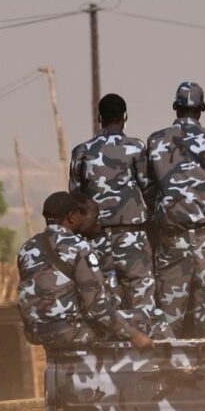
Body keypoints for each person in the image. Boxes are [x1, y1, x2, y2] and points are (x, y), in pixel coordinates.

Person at [144, 81, 205, 337]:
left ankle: (169, 364)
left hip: (172, 240)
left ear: (175, 106)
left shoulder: (155, 141)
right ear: (202, 108)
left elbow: (147, 190)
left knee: (168, 323)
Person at [17, 192, 154, 350]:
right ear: (71, 217)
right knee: (153, 318)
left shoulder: (26, 248)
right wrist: (132, 334)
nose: (82, 218)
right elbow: (97, 309)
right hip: (70, 333)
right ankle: (170, 363)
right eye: (79, 214)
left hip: (36, 333)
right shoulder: (78, 247)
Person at [69, 93, 157, 316]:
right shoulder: (136, 147)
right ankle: (142, 335)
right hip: (132, 236)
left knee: (101, 301)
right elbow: (149, 190)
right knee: (141, 297)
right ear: (125, 117)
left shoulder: (82, 151)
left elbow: (75, 195)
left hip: (95, 239)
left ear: (100, 118)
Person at [73, 193, 172, 340]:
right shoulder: (79, 251)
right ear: (76, 217)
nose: (100, 222)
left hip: (79, 324)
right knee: (153, 316)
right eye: (96, 217)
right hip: (85, 325)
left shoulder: (66, 246)